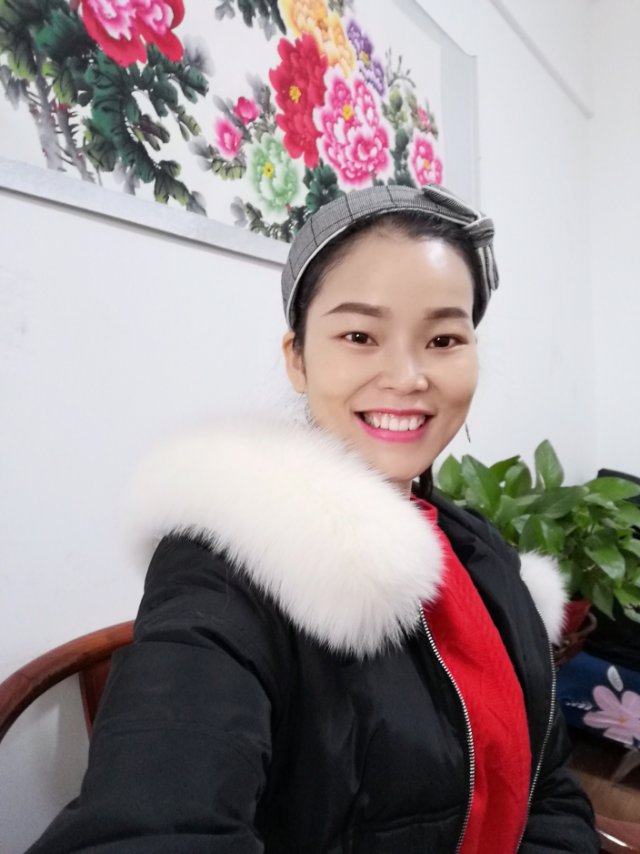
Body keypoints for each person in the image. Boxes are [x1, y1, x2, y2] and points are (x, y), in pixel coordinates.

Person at [29, 184, 598, 853]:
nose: (407, 376)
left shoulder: (482, 555)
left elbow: (549, 788)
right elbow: (153, 822)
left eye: (443, 338)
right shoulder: (225, 567)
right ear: (297, 358)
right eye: (359, 336)